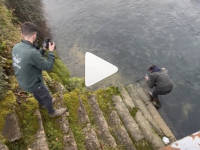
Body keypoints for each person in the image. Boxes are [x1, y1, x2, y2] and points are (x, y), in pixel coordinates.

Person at [12, 22, 67, 117]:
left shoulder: (16, 47)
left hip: (23, 82)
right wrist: (50, 51)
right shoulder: (32, 52)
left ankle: (43, 104)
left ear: (22, 34)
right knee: (47, 96)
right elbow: (48, 66)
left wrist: (43, 49)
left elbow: (32, 59)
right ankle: (52, 112)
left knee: (37, 92)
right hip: (34, 83)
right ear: (34, 35)